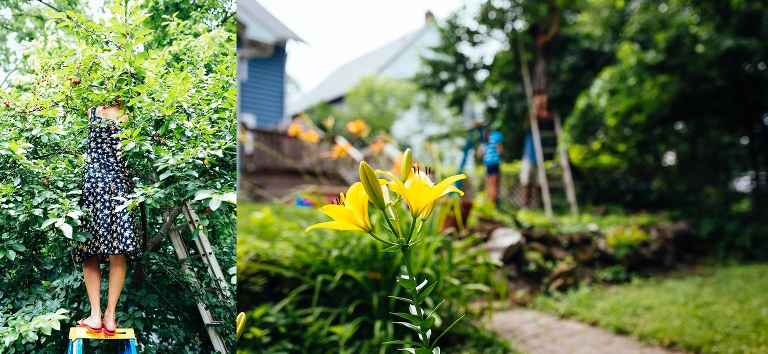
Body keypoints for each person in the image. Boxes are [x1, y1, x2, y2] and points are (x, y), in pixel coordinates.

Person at [74, 87, 141, 337]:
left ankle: (95, 314)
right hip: (119, 188)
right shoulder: (131, 116)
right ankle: (110, 316)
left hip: (93, 187)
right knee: (117, 252)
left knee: (89, 251)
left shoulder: (93, 112)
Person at [477, 123, 503, 207]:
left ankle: (488, 204)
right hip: (494, 162)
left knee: (489, 184)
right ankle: (492, 206)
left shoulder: (485, 137)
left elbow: (479, 154)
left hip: (487, 163)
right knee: (494, 185)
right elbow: (500, 150)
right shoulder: (497, 135)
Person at [520, 120, 538, 208]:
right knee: (526, 183)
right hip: (528, 158)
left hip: (539, 160)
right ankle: (526, 205)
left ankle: (537, 204)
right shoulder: (530, 131)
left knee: (538, 184)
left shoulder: (541, 132)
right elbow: (527, 123)